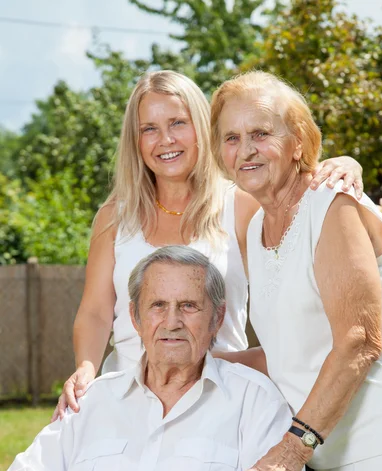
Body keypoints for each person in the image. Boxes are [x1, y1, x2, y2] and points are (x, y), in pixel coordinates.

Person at [0, 246, 316, 471]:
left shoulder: (252, 398)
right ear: (135, 317)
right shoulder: (95, 399)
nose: (172, 322)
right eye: (157, 306)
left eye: (189, 306)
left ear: (217, 317)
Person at [55, 69, 364, 419]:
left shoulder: (242, 205)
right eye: (149, 129)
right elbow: (95, 312)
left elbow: (295, 197)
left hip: (221, 393)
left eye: (178, 123)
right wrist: (85, 368)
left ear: (202, 128)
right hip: (128, 393)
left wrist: (346, 163)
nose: (165, 139)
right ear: (135, 141)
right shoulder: (113, 217)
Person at [209, 71, 382, 471]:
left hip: (379, 441)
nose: (245, 149)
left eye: (261, 133)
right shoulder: (254, 227)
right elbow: (288, 351)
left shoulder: (330, 203)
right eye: (231, 137)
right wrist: (207, 363)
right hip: (316, 448)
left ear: (298, 142)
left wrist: (292, 448)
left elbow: (361, 340)